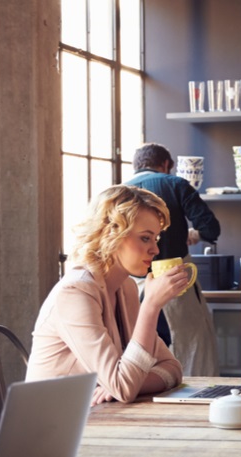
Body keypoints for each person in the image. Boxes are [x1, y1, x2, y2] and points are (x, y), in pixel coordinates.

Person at [26, 185, 186, 405]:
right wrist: (151, 306)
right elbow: (123, 388)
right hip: (53, 428)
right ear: (112, 234)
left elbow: (173, 369)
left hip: (94, 417)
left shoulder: (126, 287)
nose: (156, 250)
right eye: (145, 238)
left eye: (155, 239)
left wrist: (127, 383)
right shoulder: (75, 293)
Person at [124, 143, 221, 376]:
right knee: (192, 346)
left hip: (132, 288)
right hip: (176, 282)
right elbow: (211, 228)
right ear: (166, 165)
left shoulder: (120, 192)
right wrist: (194, 235)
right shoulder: (176, 184)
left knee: (142, 352)